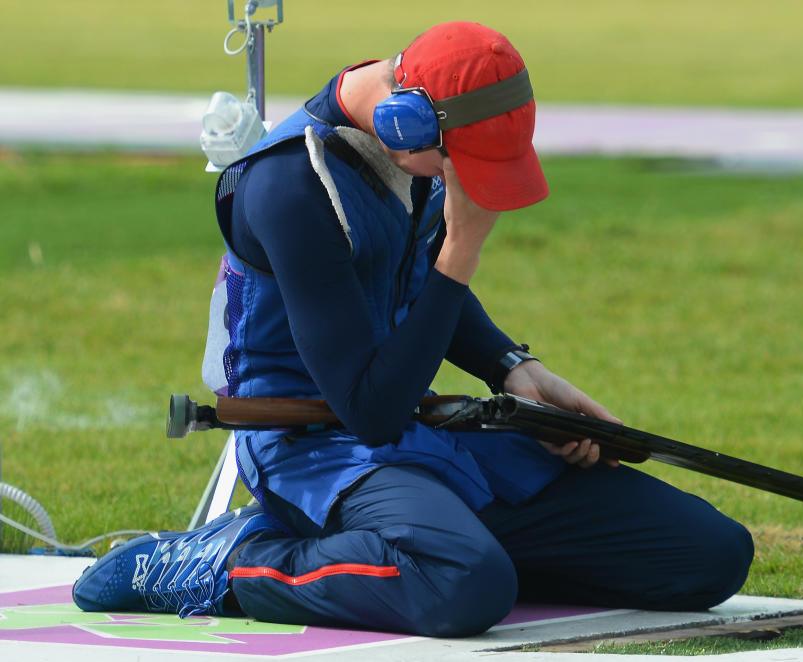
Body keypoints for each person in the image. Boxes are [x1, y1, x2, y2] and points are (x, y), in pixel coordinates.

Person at [73, 21, 753, 637]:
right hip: (315, 451)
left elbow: (414, 276)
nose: (474, 188)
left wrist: (515, 367)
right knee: (465, 587)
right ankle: (231, 562)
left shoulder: (412, 144)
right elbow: (367, 411)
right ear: (403, 123)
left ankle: (434, 546)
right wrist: (461, 253)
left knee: (708, 558)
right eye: (466, 166)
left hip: (421, 434)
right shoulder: (288, 189)